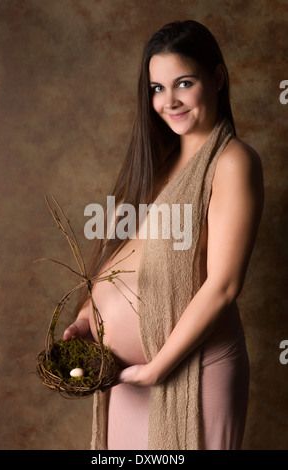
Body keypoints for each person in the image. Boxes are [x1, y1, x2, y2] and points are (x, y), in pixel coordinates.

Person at [63, 20, 264, 450]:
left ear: (218, 78)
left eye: (183, 83)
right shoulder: (155, 165)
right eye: (156, 88)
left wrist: (158, 368)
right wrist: (86, 318)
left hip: (193, 372)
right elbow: (118, 260)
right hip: (125, 380)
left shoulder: (232, 162)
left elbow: (225, 285)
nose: (168, 101)